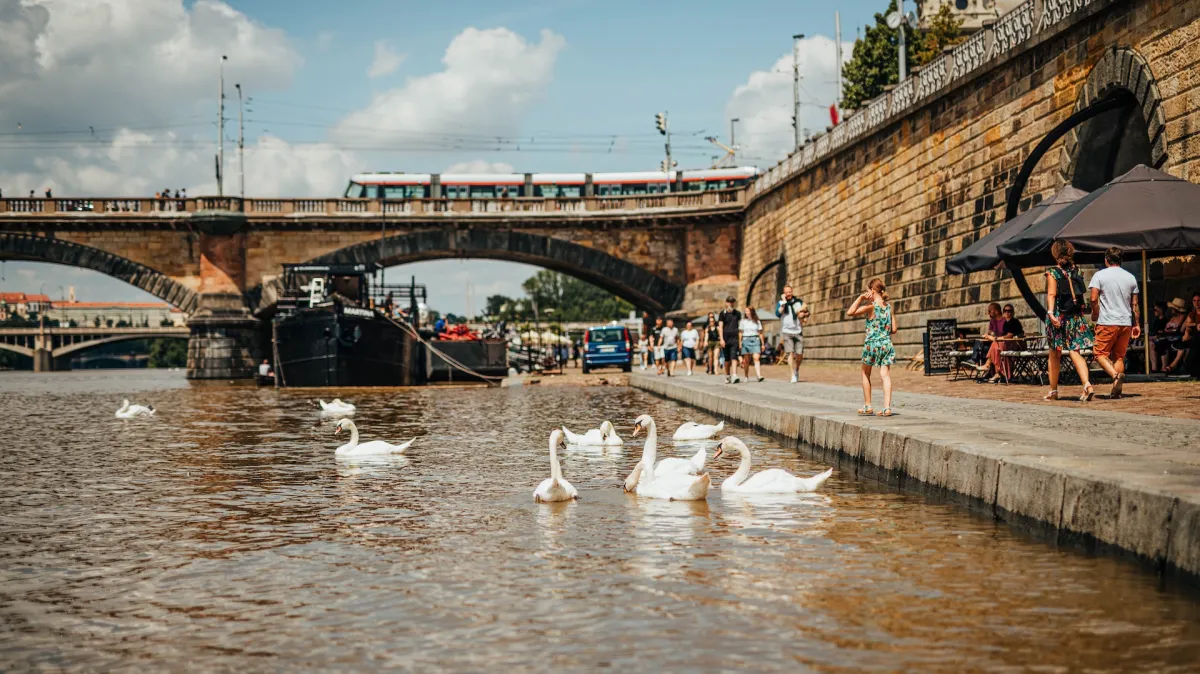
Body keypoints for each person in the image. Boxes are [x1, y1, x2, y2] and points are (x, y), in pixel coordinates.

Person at [1044, 239, 1095, 401]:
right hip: (1075, 316)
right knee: (1075, 351)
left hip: (1059, 316)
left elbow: (1051, 294)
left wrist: (1051, 313)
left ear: (1055, 253)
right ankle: (1087, 384)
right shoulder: (1077, 271)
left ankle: (1053, 391)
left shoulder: (1053, 272)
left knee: (1054, 352)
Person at [1088, 247, 1140, 397]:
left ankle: (1115, 376)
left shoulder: (1100, 275)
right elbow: (1134, 304)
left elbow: (1093, 298)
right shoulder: (1130, 277)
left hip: (1107, 321)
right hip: (1125, 322)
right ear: (1121, 260)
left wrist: (1095, 312)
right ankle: (1117, 390)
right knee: (1118, 356)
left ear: (1106, 259)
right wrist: (1136, 324)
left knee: (1099, 353)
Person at [847, 277, 896, 416]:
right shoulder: (889, 307)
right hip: (886, 343)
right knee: (885, 375)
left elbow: (850, 312)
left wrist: (860, 298)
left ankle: (868, 406)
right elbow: (894, 329)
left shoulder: (871, 307)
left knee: (865, 373)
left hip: (872, 344)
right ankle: (887, 408)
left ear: (872, 290)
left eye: (868, 290)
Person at [776, 285, 809, 383]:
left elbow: (807, 312)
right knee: (789, 352)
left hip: (798, 331)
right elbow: (778, 314)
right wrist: (783, 302)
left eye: (790, 292)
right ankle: (792, 374)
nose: (788, 294)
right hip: (787, 331)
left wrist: (804, 314)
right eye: (786, 292)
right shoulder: (781, 303)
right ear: (784, 293)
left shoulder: (799, 302)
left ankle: (797, 369)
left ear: (792, 292)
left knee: (799, 354)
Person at [985, 305, 1026, 384]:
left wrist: (996, 338)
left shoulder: (1014, 322)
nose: (1007, 313)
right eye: (1005, 311)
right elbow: (1004, 336)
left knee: (996, 345)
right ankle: (997, 373)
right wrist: (996, 338)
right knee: (996, 346)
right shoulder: (1006, 323)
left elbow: (1009, 336)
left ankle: (989, 366)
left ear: (1013, 312)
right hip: (1008, 345)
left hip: (1017, 346)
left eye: (1009, 311)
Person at [717, 297, 742, 383]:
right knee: (727, 359)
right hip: (725, 339)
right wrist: (721, 339)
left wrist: (740, 340)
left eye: (732, 302)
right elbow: (720, 327)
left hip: (734, 338)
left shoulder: (737, 313)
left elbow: (740, 326)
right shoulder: (722, 314)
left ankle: (734, 375)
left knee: (734, 356)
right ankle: (728, 375)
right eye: (729, 302)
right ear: (726, 303)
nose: (731, 304)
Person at [738, 307, 765, 382]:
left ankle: (759, 375)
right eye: (745, 311)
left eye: (747, 311)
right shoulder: (743, 321)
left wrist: (762, 344)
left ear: (751, 312)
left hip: (755, 339)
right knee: (747, 359)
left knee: (756, 358)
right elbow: (740, 332)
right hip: (746, 339)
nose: (746, 312)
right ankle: (746, 376)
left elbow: (760, 333)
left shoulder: (757, 321)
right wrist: (740, 342)